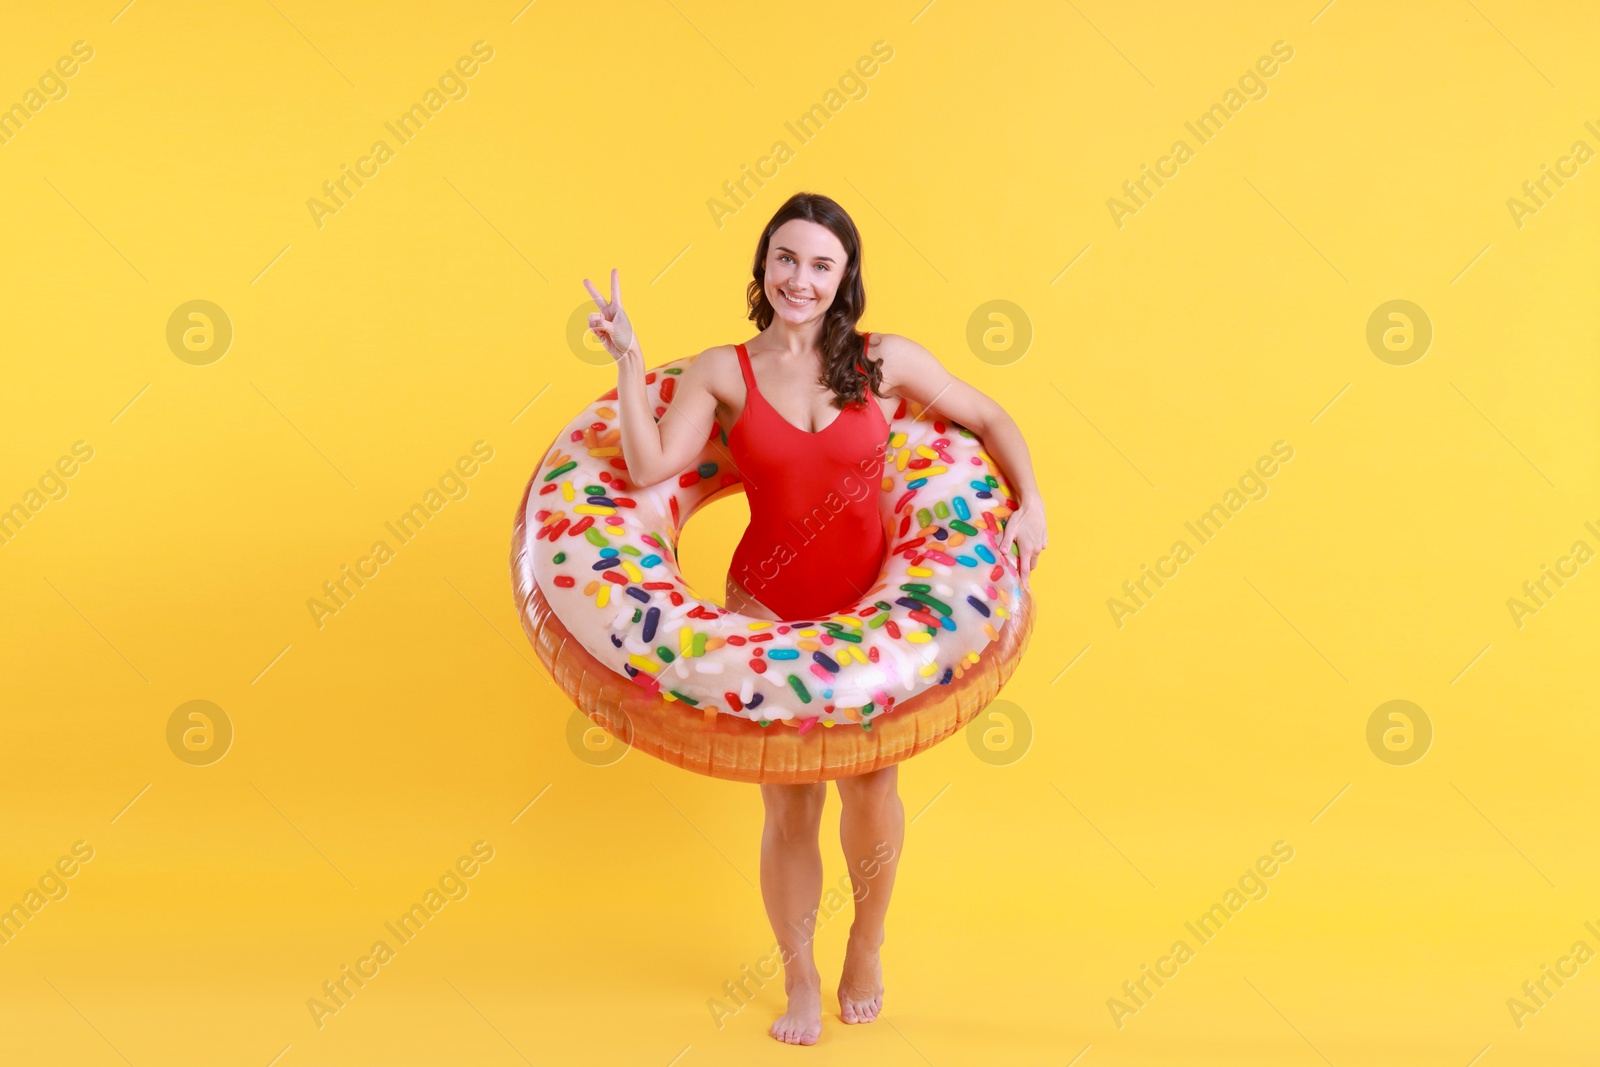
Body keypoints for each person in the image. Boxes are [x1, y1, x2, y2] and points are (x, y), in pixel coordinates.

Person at [583, 191, 1047, 1045]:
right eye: (786, 259)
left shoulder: (883, 361)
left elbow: (986, 415)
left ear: (845, 278)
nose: (801, 278)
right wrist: (629, 358)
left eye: (821, 264)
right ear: (764, 266)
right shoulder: (722, 371)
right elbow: (650, 465)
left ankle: (864, 943)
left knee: (873, 790)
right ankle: (798, 974)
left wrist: (1032, 500)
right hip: (765, 607)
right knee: (790, 808)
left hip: (872, 608)